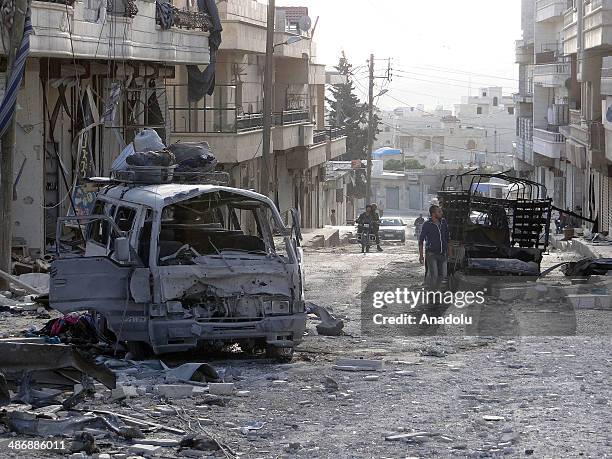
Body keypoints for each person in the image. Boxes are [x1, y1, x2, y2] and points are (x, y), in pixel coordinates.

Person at [418, 205, 450, 290]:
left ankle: (435, 289)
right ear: (433, 214)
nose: (441, 213)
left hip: (443, 254)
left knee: (443, 275)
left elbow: (447, 238)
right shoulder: (427, 224)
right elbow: (421, 240)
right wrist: (421, 255)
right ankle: (432, 293)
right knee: (434, 275)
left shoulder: (444, 222)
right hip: (431, 254)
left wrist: (449, 250)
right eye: (439, 212)